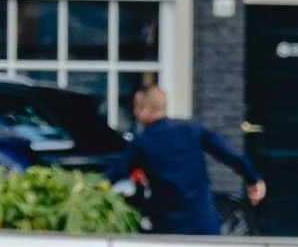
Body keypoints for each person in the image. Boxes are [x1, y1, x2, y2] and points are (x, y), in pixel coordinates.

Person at [109, 82, 266, 236]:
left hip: (167, 227)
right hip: (204, 222)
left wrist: (91, 188)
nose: (135, 112)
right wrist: (253, 178)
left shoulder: (142, 142)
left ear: (144, 110)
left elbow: (116, 174)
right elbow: (229, 154)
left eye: (136, 107)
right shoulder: (193, 129)